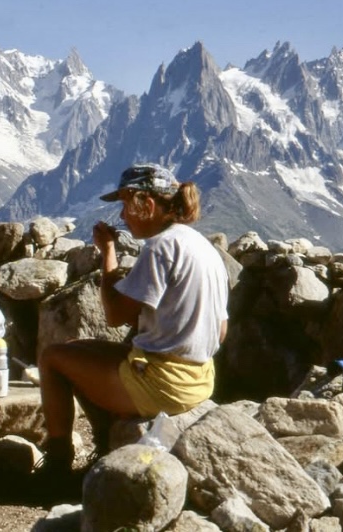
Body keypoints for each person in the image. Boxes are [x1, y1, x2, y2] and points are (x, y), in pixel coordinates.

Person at [35, 163, 229, 478]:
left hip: (163, 384)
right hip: (201, 377)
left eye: (127, 205)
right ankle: (106, 444)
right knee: (75, 348)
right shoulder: (203, 247)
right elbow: (220, 332)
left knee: (54, 358)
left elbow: (114, 316)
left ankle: (58, 463)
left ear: (147, 205)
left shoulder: (161, 246)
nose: (123, 216)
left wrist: (108, 252)